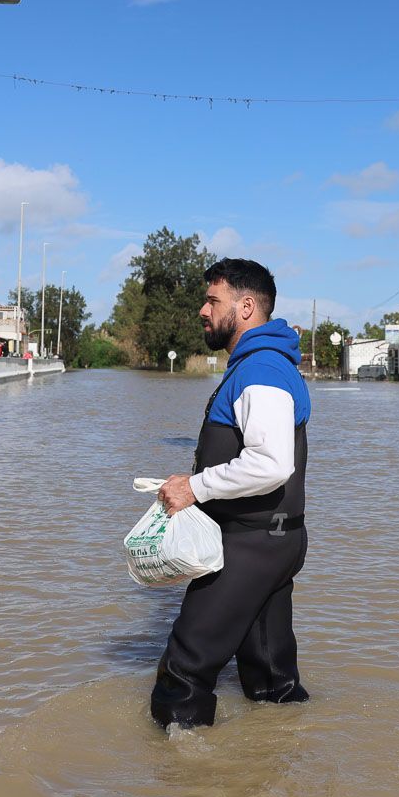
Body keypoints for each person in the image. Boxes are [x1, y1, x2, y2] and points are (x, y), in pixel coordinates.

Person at [150, 258, 312, 730]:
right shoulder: (266, 362)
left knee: (184, 670)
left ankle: (180, 791)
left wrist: (193, 487)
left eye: (212, 300)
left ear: (244, 307)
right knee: (270, 681)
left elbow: (271, 463)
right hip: (275, 540)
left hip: (250, 544)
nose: (202, 309)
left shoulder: (261, 368)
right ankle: (278, 770)